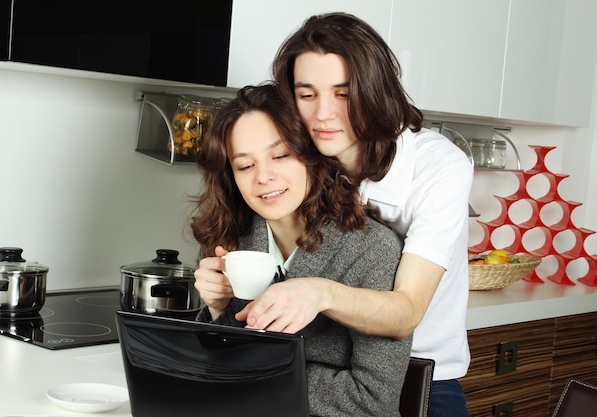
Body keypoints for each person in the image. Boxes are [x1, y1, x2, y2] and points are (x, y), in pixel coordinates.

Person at [233, 12, 474, 417]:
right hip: (321, 370)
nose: (324, 114)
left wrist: (319, 291)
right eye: (307, 95)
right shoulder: (304, 158)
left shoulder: (439, 167)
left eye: (343, 94)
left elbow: (406, 313)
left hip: (423, 378)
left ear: (376, 91)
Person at [190, 83, 411, 417]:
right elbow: (205, 371)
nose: (263, 177)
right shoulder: (229, 240)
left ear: (312, 156)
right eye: (245, 166)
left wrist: (256, 373)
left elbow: (373, 401)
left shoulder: (371, 250)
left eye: (280, 155)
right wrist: (216, 310)